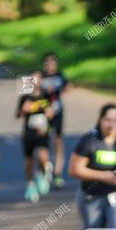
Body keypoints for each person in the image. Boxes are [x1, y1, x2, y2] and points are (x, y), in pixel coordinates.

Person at [16, 71, 55, 203]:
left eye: (38, 79)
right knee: (29, 160)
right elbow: (17, 115)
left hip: (43, 131)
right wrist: (23, 110)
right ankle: (31, 185)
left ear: (42, 81)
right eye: (32, 79)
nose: (35, 81)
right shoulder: (25, 96)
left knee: (43, 156)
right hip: (28, 132)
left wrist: (50, 113)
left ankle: (42, 173)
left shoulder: (46, 95)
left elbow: (52, 112)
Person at [41, 52, 72, 189]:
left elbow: (68, 86)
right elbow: (27, 92)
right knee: (42, 141)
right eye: (47, 63)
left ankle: (58, 173)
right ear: (44, 65)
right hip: (42, 114)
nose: (50, 65)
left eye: (52, 63)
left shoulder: (60, 75)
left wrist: (63, 88)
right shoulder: (40, 77)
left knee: (58, 140)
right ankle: (46, 170)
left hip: (58, 112)